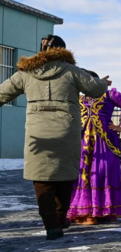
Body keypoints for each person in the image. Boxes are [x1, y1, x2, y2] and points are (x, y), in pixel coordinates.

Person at [0, 36, 108, 240]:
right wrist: (103, 82)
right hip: (66, 130)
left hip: (37, 133)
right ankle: (60, 219)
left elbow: (2, 94)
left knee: (42, 179)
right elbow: (97, 89)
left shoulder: (25, 72)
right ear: (63, 50)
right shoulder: (72, 71)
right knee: (65, 176)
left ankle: (50, 225)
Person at [68, 76, 121, 224]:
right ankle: (85, 211)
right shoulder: (79, 98)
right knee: (83, 173)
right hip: (82, 140)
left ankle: (102, 211)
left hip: (104, 140)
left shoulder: (109, 94)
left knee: (102, 171)